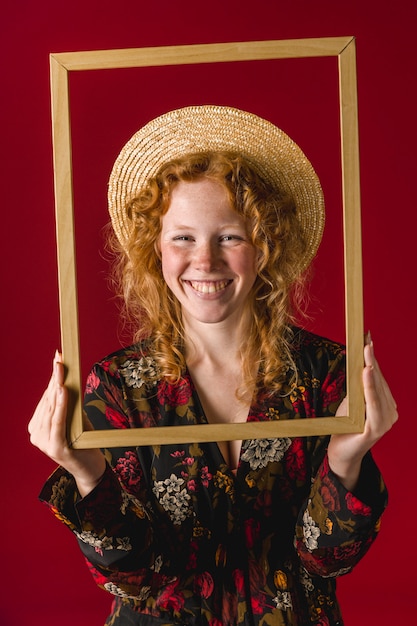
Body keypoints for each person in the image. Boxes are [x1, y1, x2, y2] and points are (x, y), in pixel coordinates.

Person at [29, 105, 397, 626]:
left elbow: (326, 562)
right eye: (183, 237)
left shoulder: (326, 373)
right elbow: (134, 577)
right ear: (154, 248)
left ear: (264, 247)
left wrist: (347, 460)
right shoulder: (115, 386)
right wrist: (85, 472)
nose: (205, 261)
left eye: (230, 236)